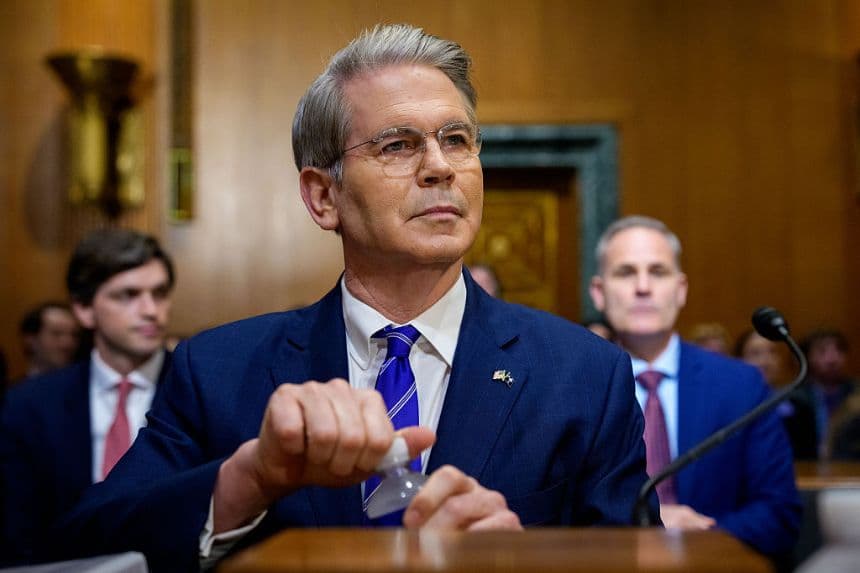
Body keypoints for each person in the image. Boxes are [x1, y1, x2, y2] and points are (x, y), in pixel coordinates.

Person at [52, 25, 652, 572]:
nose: (440, 166)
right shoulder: (218, 370)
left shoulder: (583, 375)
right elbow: (88, 545)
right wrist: (249, 480)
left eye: (457, 139)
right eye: (397, 146)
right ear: (322, 197)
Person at [588, 215, 800, 557]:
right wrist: (642, 526)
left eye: (658, 272)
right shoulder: (569, 386)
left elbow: (779, 513)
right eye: (626, 273)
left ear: (681, 289)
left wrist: (699, 536)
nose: (643, 287)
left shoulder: (741, 386)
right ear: (598, 293)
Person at [0, 229, 176, 565]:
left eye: (160, 293)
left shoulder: (198, 390)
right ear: (83, 309)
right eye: (128, 295)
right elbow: (18, 533)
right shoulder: (29, 405)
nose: (151, 310)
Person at [735, 329, 817, 459]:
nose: (766, 361)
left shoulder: (799, 405)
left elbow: (808, 458)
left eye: (772, 352)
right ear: (739, 360)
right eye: (755, 354)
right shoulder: (728, 407)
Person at [801, 329, 860, 457]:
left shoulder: (857, 392)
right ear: (807, 357)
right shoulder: (794, 397)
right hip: (806, 466)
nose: (832, 359)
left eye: (839, 350)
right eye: (822, 351)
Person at [18, 302, 80, 379]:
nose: (67, 343)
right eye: (56, 334)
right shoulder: (16, 390)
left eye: (74, 335)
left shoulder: (89, 387)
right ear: (31, 340)